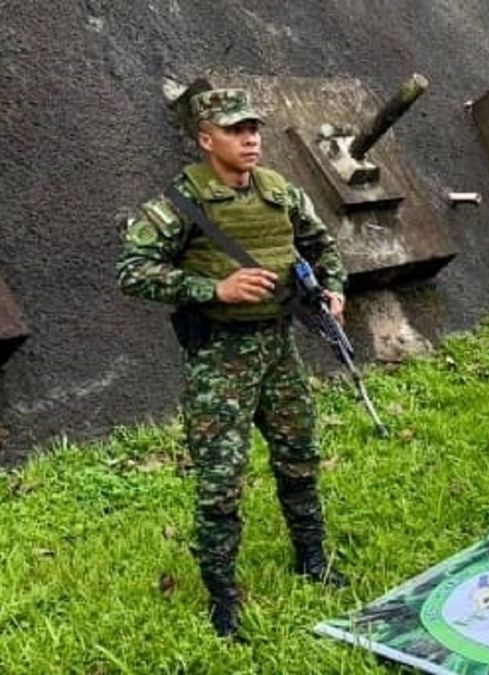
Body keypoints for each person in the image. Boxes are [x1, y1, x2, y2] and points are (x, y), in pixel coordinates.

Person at [116, 89, 349, 638]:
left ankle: (312, 560)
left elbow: (323, 246)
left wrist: (333, 289)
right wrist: (212, 287)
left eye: (253, 129)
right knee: (221, 481)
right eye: (235, 130)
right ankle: (222, 597)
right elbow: (132, 269)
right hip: (220, 357)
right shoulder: (179, 203)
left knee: (300, 457)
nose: (249, 139)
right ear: (206, 139)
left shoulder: (280, 192)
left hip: (278, 346)